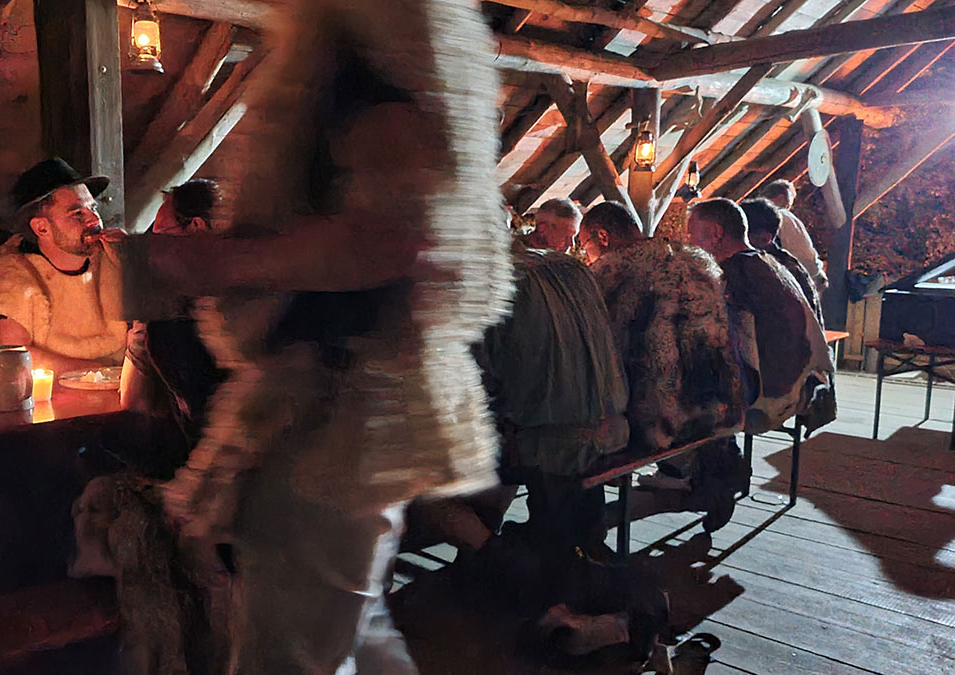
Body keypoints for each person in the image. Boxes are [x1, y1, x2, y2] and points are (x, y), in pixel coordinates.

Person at [135, 1, 515, 671]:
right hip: (344, 402)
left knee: (292, 654)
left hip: (335, 412)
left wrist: (216, 264)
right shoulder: (405, 38)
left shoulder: (375, 36)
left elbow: (395, 237)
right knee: (348, 632)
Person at [583, 201, 745, 531]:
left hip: (662, 422)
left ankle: (585, 526)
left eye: (584, 245)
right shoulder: (696, 263)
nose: (586, 255)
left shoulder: (611, 275)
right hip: (719, 406)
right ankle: (700, 480)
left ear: (602, 237)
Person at [478, 206, 629, 558]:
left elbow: (480, 377)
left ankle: (489, 551)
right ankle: (575, 545)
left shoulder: (493, 280)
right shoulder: (573, 267)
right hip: (611, 426)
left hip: (548, 441)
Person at [0, 159, 127, 374]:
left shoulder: (114, 262)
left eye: (93, 208)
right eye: (77, 213)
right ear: (42, 228)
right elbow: (13, 360)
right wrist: (105, 373)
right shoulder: (10, 279)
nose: (94, 220)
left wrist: (134, 264)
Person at [691, 198, 833, 434]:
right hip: (803, 380)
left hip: (771, 395)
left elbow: (713, 337)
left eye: (693, 236)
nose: (690, 244)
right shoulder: (769, 262)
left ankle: (704, 454)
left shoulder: (735, 273)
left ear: (716, 233)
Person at [119, 180, 225, 476]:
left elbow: (133, 403)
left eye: (161, 235)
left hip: (207, 468)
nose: (155, 249)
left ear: (196, 227)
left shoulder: (176, 323)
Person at [760, 179, 828, 292]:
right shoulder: (783, 216)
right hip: (799, 276)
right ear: (781, 198)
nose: (790, 207)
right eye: (789, 203)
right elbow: (805, 257)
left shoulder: (755, 216)